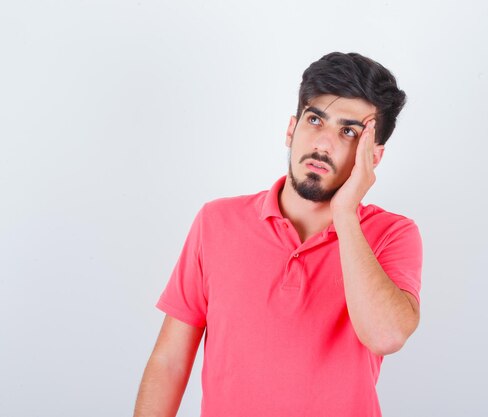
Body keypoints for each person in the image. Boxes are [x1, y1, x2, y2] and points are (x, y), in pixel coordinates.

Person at [133, 52, 422, 417]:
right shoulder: (216, 221)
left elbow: (386, 336)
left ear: (374, 157)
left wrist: (345, 215)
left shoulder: (393, 234)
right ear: (291, 128)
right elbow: (170, 362)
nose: (322, 144)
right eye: (315, 120)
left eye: (348, 132)